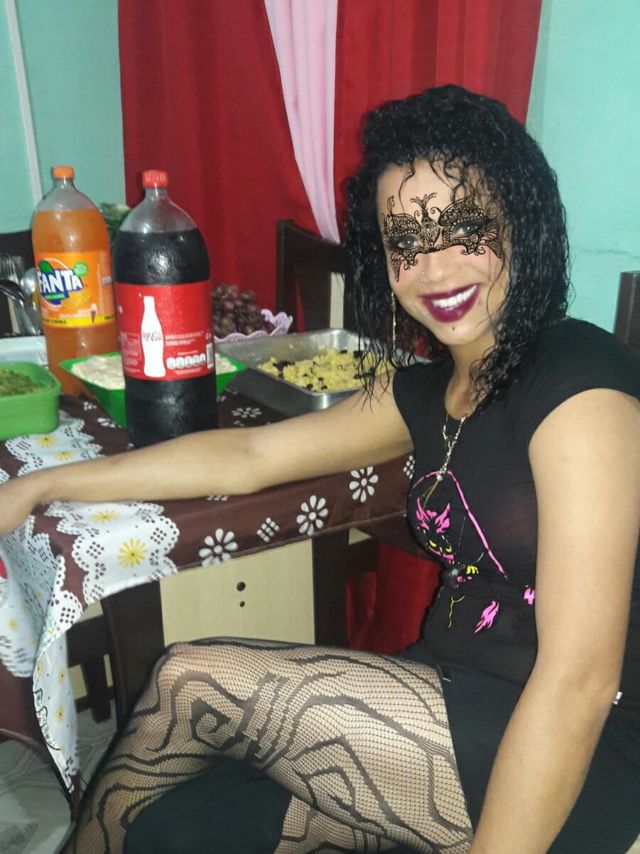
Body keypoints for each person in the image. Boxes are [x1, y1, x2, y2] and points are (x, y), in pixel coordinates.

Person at [1, 85, 638, 853]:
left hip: (581, 746)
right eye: (405, 242)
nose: (434, 269)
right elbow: (248, 456)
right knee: (179, 825)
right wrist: (42, 483)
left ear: (519, 220)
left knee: (190, 681)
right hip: (446, 696)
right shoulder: (427, 388)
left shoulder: (579, 381)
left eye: (464, 228)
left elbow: (580, 680)